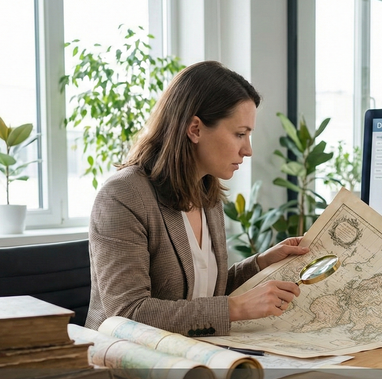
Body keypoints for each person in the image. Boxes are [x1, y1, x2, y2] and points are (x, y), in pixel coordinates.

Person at [85, 61, 308, 336]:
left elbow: (201, 291)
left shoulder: (207, 193)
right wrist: (234, 309)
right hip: (128, 364)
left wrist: (261, 264)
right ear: (195, 129)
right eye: (240, 134)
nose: (248, 150)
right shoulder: (122, 196)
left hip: (192, 358)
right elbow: (129, 313)